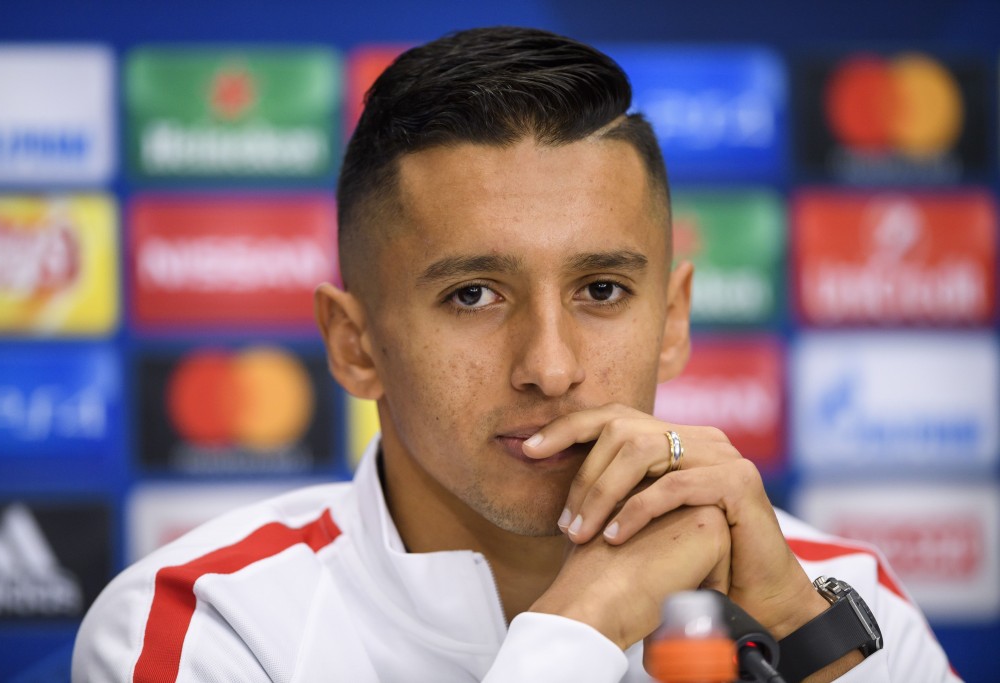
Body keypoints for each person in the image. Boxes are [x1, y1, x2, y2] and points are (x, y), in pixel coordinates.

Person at [73, 27, 961, 682]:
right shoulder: (207, 625)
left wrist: (806, 644)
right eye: (473, 295)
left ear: (674, 317)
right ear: (356, 345)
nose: (551, 365)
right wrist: (578, 628)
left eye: (602, 290)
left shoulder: (836, 597)